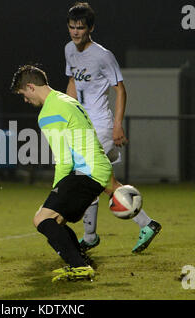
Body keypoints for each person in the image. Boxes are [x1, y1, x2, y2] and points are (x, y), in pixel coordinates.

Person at [11, 64, 125, 282]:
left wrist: (57, 188)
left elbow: (63, 159)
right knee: (56, 220)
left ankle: (80, 266)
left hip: (86, 172)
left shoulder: (49, 112)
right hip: (95, 168)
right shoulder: (67, 100)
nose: (25, 100)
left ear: (30, 86)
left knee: (42, 219)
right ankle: (81, 261)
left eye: (23, 95)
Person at [64, 2, 162, 253]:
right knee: (98, 181)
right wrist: (65, 114)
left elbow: (120, 90)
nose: (75, 32)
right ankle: (95, 235)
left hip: (102, 127)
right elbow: (73, 82)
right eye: (72, 27)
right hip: (84, 127)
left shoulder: (103, 55)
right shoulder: (69, 50)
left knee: (89, 178)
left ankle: (98, 235)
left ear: (91, 28)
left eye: (80, 28)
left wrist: (117, 125)